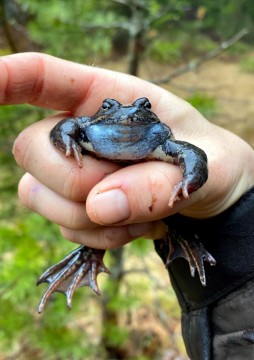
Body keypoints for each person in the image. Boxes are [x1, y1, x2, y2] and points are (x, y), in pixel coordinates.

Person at [2, 52, 254, 359]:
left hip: (178, 218)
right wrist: (64, 141)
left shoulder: (159, 139)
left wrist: (192, 182)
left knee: (149, 217)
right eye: (109, 107)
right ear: (100, 113)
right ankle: (88, 253)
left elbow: (193, 154)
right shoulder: (86, 129)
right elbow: (66, 127)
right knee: (93, 215)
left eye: (143, 107)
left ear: (153, 116)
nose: (128, 113)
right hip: (105, 185)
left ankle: (176, 238)